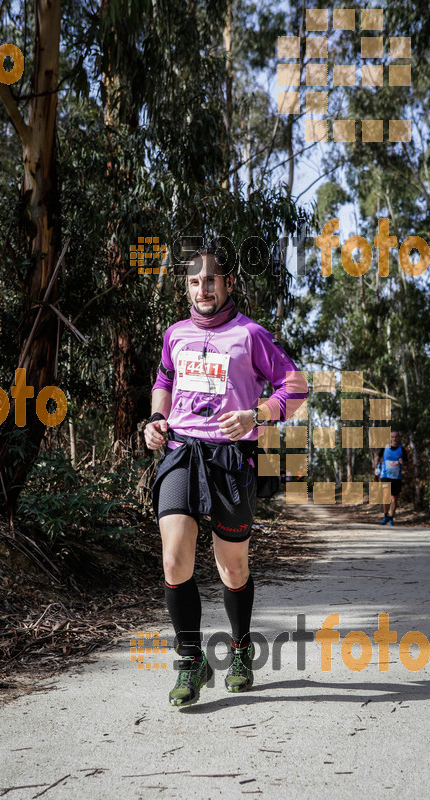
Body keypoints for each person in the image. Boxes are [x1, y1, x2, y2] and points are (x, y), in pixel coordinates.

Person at [143, 248, 309, 707]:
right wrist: (156, 420)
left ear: (229, 283)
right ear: (187, 288)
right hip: (181, 453)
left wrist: (258, 413)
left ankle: (239, 650)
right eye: (196, 283)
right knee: (175, 561)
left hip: (231, 460)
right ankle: (191, 660)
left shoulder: (250, 335)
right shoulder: (174, 335)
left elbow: (295, 386)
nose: (204, 290)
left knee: (232, 567)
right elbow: (164, 381)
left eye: (212, 281)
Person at [375, 430, 408, 526]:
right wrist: (376, 467)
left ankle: (391, 517)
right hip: (385, 476)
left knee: (394, 499)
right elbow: (378, 456)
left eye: (396, 437)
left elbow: (407, 463)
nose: (394, 439)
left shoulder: (402, 450)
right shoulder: (385, 448)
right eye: (392, 437)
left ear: (399, 438)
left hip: (396, 478)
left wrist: (403, 463)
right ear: (390, 438)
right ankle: (385, 515)